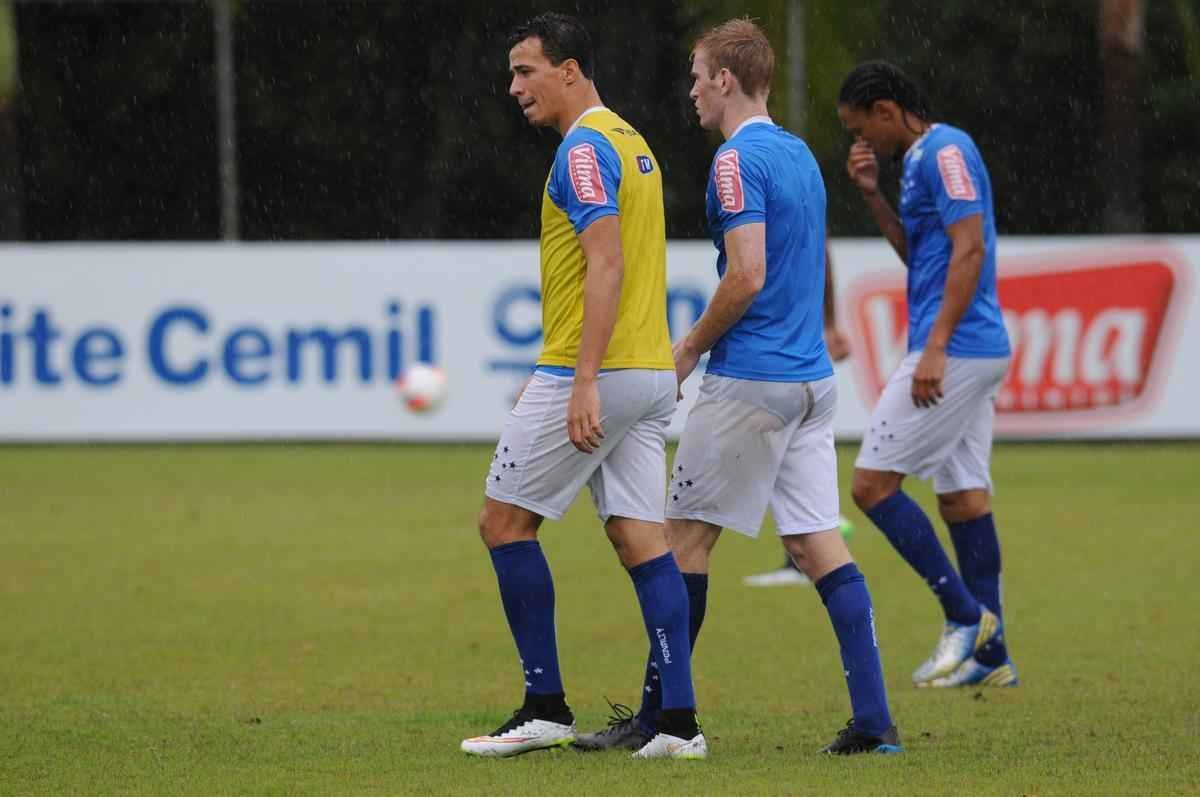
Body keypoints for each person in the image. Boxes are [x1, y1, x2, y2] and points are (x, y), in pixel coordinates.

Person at [575, 19, 901, 756]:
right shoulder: (799, 154)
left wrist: (689, 347)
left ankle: (664, 720)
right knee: (817, 544)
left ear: (725, 79)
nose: (691, 90)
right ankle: (874, 720)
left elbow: (747, 273)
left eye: (697, 76)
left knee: (681, 543)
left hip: (752, 381)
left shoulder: (734, 160)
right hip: (811, 384)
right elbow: (807, 259)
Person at [460, 12, 704, 759]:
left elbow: (607, 260)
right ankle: (679, 725)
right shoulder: (633, 142)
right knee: (640, 538)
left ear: (569, 70)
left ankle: (545, 706)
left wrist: (584, 379)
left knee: (503, 524)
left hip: (592, 366)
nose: (514, 87)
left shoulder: (584, 149)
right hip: (650, 371)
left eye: (525, 71)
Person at [837, 60, 1017, 688]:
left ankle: (965, 616)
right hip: (966, 346)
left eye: (861, 128)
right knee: (962, 497)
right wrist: (871, 194)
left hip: (956, 347)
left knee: (870, 486)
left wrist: (936, 347)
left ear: (887, 111)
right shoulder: (917, 161)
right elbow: (922, 257)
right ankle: (993, 658)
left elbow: (971, 247)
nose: (862, 142)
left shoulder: (946, 152)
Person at [743, 243, 855, 588]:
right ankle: (817, 532)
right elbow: (822, 249)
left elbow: (746, 277)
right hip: (800, 353)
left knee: (757, 449)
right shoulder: (808, 212)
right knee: (773, 451)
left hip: (778, 352)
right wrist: (830, 322)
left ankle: (819, 530)